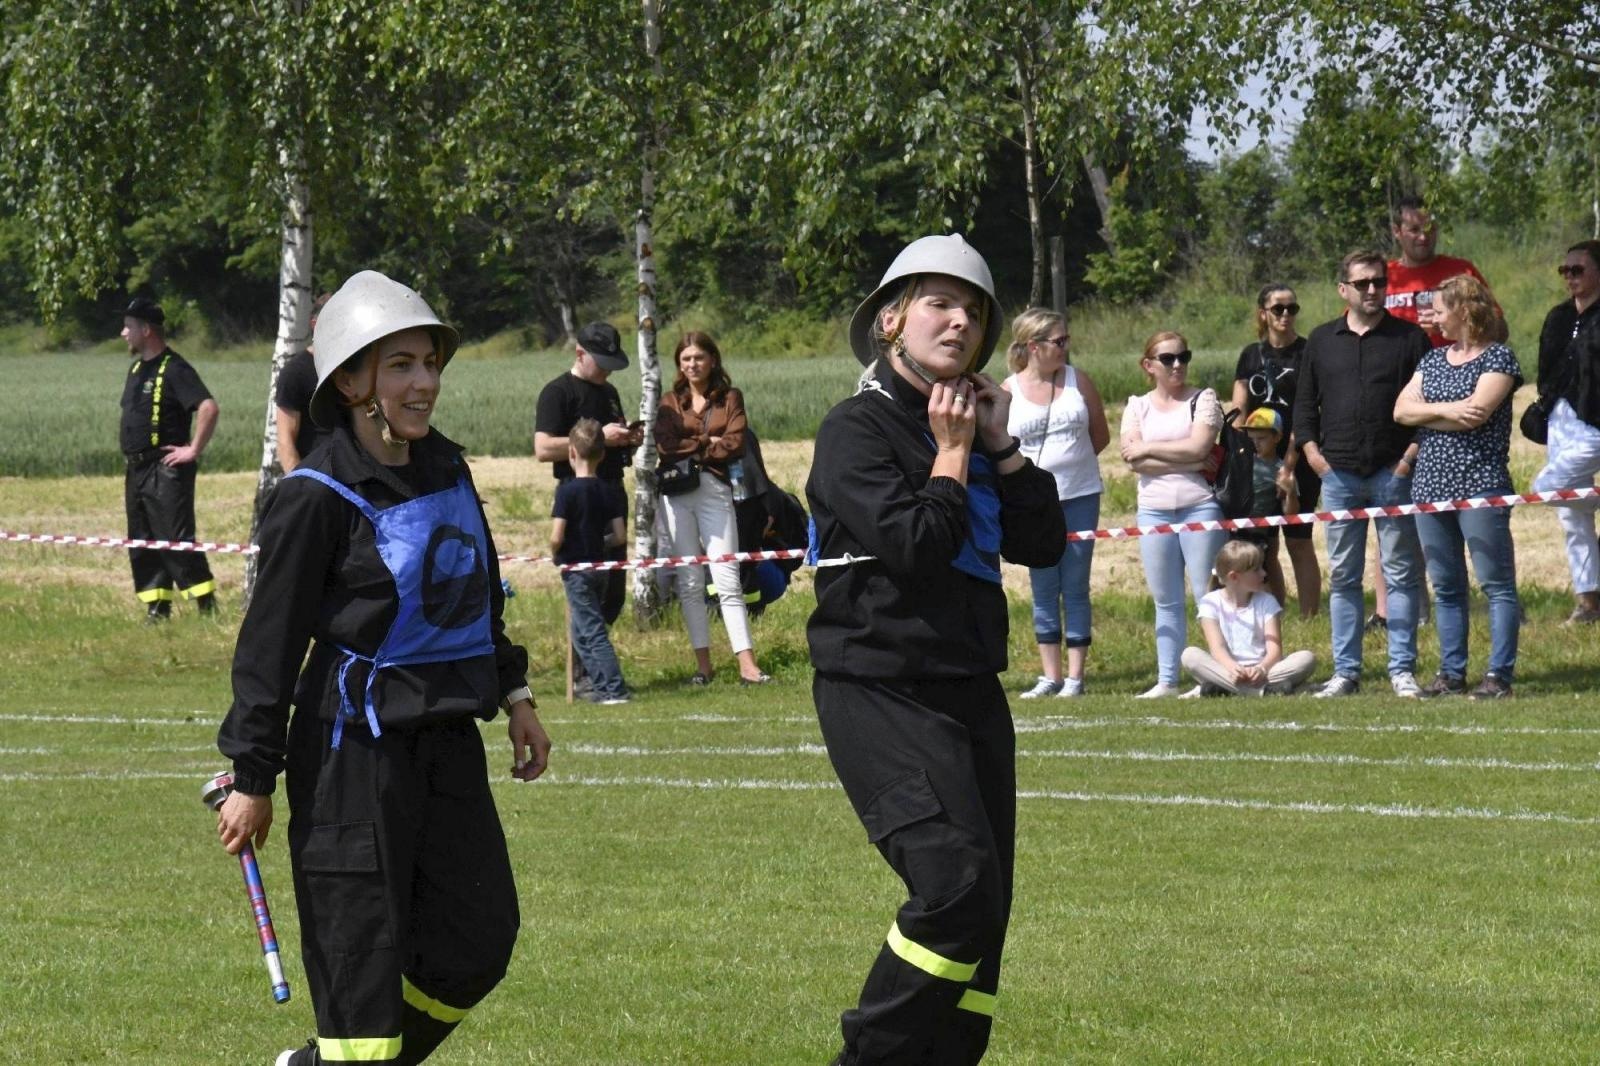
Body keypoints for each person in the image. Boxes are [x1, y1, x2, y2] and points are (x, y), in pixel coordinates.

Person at [214, 270, 551, 1066]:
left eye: (429, 363)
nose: (425, 382)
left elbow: (473, 598)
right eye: (401, 365)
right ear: (353, 380)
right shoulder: (313, 495)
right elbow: (267, 648)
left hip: (447, 744)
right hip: (348, 758)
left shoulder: (448, 470)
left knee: (478, 939)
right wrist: (251, 778)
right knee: (362, 975)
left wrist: (517, 692)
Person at [807, 234, 1064, 1066]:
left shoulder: (971, 424)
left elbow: (1045, 541)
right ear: (892, 320)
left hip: (968, 689)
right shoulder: (856, 429)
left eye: (975, 310)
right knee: (952, 886)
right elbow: (915, 543)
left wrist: (997, 445)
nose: (959, 321)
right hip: (879, 689)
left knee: (987, 913)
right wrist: (952, 456)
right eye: (938, 304)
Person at [1294, 250, 1430, 698]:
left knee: (1401, 574)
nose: (1372, 290)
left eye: (1379, 281)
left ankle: (1401, 670)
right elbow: (1304, 406)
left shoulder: (1410, 338)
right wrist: (1314, 456)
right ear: (1343, 289)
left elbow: (1427, 407)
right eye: (1363, 283)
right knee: (1345, 577)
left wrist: (1408, 458)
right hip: (1339, 476)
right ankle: (1346, 673)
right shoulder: (1320, 340)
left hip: (1394, 472)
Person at [1395, 274, 1523, 699]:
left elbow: (1479, 413)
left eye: (1439, 308)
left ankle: (1498, 676)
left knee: (1495, 583)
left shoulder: (1498, 359)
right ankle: (1451, 673)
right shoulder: (1431, 361)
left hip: (1480, 483)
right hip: (1429, 485)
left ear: (1464, 310)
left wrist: (1425, 412)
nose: (1432, 315)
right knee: (1446, 585)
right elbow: (1400, 411)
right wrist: (1448, 409)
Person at [1001, 306, 1108, 698]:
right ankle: (1051, 675)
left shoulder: (1080, 381)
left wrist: (1071, 469)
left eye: (1067, 340)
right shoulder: (1008, 389)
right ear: (1033, 345)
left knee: (1076, 584)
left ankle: (1076, 677)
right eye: (1058, 341)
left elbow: (1100, 436)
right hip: (1033, 504)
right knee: (1043, 583)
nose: (1065, 347)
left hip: (1080, 494)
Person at [654, 331, 769, 685]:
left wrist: (695, 446)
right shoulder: (670, 401)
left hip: (716, 490)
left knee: (726, 576)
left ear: (713, 360)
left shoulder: (730, 397)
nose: (692, 364)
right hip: (677, 495)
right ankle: (703, 666)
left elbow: (736, 443)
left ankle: (747, 665)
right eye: (686, 359)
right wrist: (707, 441)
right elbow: (665, 445)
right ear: (679, 364)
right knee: (689, 581)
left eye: (698, 358)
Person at [1120, 330, 1230, 698]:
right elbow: (1131, 459)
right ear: (1149, 365)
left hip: (1200, 505)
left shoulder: (1204, 398)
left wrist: (1151, 450)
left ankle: (1218, 676)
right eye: (1168, 359)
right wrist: (1185, 456)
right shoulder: (1137, 405)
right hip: (1153, 511)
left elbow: (1201, 446)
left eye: (1184, 356)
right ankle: (1168, 680)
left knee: (1208, 596)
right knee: (1166, 600)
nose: (1178, 364)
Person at [533, 322, 643, 627]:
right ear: (580, 354)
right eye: (602, 364)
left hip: (612, 490)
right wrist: (600, 439)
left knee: (614, 590)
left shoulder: (610, 392)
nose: (608, 372)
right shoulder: (558, 392)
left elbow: (609, 445)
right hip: (578, 496)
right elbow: (542, 448)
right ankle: (583, 670)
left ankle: (596, 663)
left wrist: (628, 440)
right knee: (587, 588)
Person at [117, 296, 220, 621]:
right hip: (136, 469)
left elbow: (208, 407)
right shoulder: (136, 369)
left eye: (129, 327)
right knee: (142, 539)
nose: (123, 333)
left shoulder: (175, 368)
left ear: (146, 330)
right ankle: (157, 608)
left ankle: (207, 606)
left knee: (174, 538)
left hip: (166, 469)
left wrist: (193, 449)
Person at [1232, 283, 1321, 618]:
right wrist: (1240, 455)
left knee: (1299, 539)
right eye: (1278, 308)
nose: (1286, 314)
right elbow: (1240, 407)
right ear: (1263, 314)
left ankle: (1310, 615)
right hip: (1257, 460)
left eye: (1292, 308)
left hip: (1297, 458)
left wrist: (1289, 463)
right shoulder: (1250, 355)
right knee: (1264, 544)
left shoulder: (1308, 352)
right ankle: (1276, 612)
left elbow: (1306, 409)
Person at [1530, 239, 1600, 624]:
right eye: (1565, 271)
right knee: (1572, 517)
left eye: (1578, 269)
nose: (1570, 277)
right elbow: (1545, 368)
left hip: (1596, 422)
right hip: (1561, 419)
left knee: (1547, 487)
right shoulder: (1557, 317)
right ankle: (1589, 599)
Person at [551, 417, 631, 704]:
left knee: (593, 632)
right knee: (581, 631)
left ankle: (614, 689)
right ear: (603, 454)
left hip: (576, 570)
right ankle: (600, 686)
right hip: (602, 569)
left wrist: (555, 552)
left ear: (571, 452)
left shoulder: (566, 491)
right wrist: (598, 541)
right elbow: (620, 537)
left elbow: (557, 536)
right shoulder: (609, 491)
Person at [1180, 539, 1315, 696]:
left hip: (1265, 670)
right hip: (1227, 669)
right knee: (1189, 655)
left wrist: (1261, 668)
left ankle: (1224, 688)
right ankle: (1263, 691)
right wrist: (1232, 667)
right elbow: (1217, 648)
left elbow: (1275, 649)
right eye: (1257, 570)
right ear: (1235, 577)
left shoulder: (1267, 601)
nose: (1264, 574)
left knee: (1306, 658)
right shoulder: (1210, 603)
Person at [1237, 405, 1298, 604]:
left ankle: (1273, 609)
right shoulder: (1243, 460)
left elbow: (1290, 515)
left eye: (1261, 439)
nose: (1256, 444)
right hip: (1235, 525)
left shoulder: (1281, 470)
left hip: (1259, 531)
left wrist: (1289, 492)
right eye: (1252, 439)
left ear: (1277, 437)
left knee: (1260, 572)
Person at [274, 292, 335, 473]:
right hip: (316, 478)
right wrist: (300, 487)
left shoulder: (358, 370)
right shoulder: (295, 373)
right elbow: (285, 440)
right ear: (315, 325)